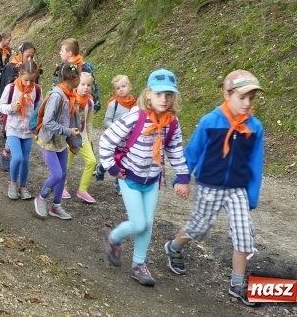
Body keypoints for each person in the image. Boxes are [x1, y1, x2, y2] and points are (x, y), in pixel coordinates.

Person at [163, 70, 265, 306]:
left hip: (237, 189)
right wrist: (182, 178)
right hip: (210, 185)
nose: (247, 103)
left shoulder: (255, 127)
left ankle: (237, 284)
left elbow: (255, 163)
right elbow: (193, 152)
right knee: (199, 228)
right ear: (227, 94)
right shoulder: (211, 121)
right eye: (242, 97)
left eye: (252, 98)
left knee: (244, 237)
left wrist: (252, 194)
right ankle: (174, 246)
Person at [99, 68, 191, 287]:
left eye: (169, 95)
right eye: (159, 94)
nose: (164, 99)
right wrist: (112, 168)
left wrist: (184, 178)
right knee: (138, 222)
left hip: (151, 181)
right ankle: (113, 238)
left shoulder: (172, 123)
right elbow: (106, 140)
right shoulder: (135, 117)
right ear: (148, 94)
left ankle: (138, 265)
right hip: (129, 177)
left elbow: (176, 151)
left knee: (147, 224)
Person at [33, 63, 82, 220]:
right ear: (73, 77)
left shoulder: (69, 95)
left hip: (60, 142)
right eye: (79, 76)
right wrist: (67, 131)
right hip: (49, 141)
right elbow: (47, 122)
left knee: (64, 174)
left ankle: (56, 206)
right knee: (57, 174)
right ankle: (41, 197)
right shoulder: (57, 96)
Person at [0, 60, 41, 200]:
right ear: (20, 75)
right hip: (13, 128)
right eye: (26, 80)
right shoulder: (11, 88)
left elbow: (39, 109)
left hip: (28, 131)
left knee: (26, 160)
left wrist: (38, 125)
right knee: (17, 157)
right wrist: (11, 108)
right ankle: (12, 183)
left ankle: (23, 186)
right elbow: (0, 105)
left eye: (32, 80)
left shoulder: (37, 90)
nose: (28, 84)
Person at [98, 75, 138, 192]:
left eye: (123, 86)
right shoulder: (113, 104)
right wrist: (117, 130)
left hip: (128, 139)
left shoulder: (135, 104)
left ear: (130, 87)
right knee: (114, 158)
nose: (121, 89)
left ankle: (119, 185)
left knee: (124, 160)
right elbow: (107, 120)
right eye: (118, 88)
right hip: (115, 138)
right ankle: (102, 167)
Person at [64, 72, 99, 203]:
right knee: (66, 165)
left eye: (88, 85)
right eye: (82, 84)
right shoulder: (69, 99)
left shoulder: (90, 103)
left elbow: (89, 123)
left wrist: (89, 140)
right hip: (68, 137)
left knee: (92, 161)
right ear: (76, 85)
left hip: (82, 137)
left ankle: (83, 190)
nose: (85, 87)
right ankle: (62, 186)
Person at [54, 38, 101, 111]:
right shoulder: (63, 68)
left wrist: (94, 105)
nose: (60, 53)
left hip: (81, 108)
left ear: (69, 53)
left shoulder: (85, 67)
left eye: (62, 50)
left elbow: (93, 86)